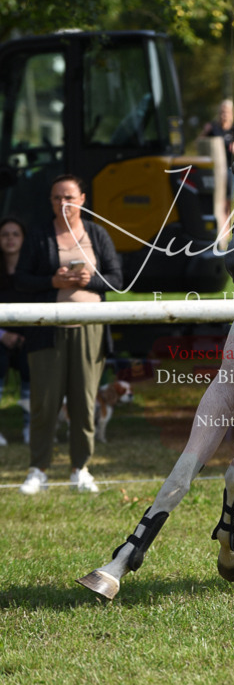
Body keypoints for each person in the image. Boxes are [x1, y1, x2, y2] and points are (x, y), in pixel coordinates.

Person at [15, 174, 122, 494]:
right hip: (47, 331)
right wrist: (53, 282)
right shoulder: (38, 236)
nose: (63, 203)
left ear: (83, 200)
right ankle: (38, 470)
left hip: (90, 331)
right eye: (56, 198)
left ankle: (81, 468)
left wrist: (89, 280)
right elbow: (20, 280)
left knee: (84, 404)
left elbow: (116, 280)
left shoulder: (97, 234)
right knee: (44, 405)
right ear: (50, 202)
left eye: (69, 197)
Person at [0, 216, 31, 445]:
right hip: (1, 337)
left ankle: (31, 427)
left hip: (28, 336)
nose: (10, 239)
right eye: (5, 234)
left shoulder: (32, 271)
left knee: (32, 367)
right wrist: (4, 335)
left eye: (15, 234)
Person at [199, 99, 234, 245]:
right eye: (222, 111)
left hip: (229, 170)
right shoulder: (212, 127)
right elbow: (200, 142)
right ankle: (219, 231)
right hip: (215, 171)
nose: (224, 114)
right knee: (216, 201)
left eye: (227, 112)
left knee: (228, 202)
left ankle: (226, 231)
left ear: (231, 114)